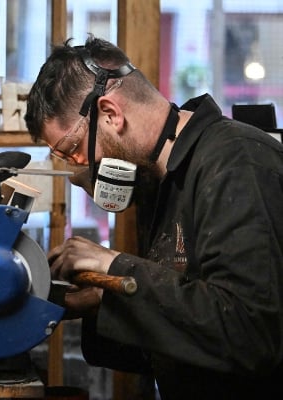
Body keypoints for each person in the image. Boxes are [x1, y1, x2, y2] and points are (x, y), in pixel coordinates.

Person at [24, 35, 283, 399]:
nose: (79, 168)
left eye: (73, 150)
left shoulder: (236, 163)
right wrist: (103, 298)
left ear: (110, 113)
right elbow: (185, 335)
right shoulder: (161, 179)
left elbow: (249, 334)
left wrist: (115, 266)